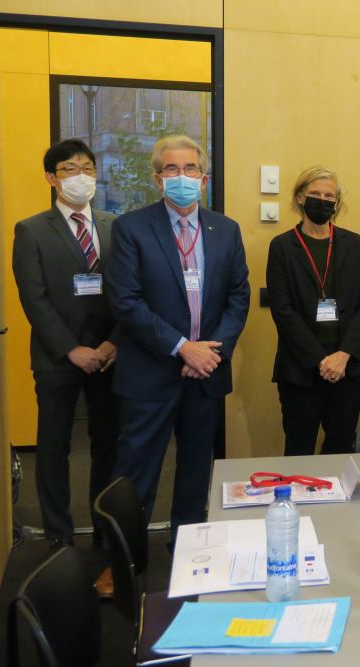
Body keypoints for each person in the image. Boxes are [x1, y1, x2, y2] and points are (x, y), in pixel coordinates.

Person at [106, 135, 249, 544]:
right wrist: (183, 347)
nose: (181, 176)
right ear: (157, 179)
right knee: (136, 471)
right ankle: (122, 559)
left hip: (206, 373)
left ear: (203, 179)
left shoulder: (225, 229)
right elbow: (126, 302)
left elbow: (238, 298)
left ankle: (189, 550)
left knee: (195, 471)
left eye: (190, 169)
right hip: (150, 372)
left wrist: (210, 354)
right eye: (171, 169)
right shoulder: (131, 227)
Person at [12, 139, 121, 593]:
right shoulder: (32, 229)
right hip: (58, 357)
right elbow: (32, 298)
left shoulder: (116, 226)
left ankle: (103, 529)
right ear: (51, 177)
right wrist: (71, 349)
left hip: (111, 354)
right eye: (70, 168)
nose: (81, 175)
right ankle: (58, 533)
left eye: (88, 168)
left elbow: (129, 290)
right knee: (55, 446)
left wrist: (114, 341)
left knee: (108, 444)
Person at [266, 167, 360, 455]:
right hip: (300, 369)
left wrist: (343, 355)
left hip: (346, 368)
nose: (322, 200)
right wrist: (320, 360)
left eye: (330, 195)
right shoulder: (282, 247)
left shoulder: (354, 244)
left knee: (340, 449)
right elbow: (283, 310)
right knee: (299, 449)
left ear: (337, 202)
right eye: (315, 194)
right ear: (300, 198)